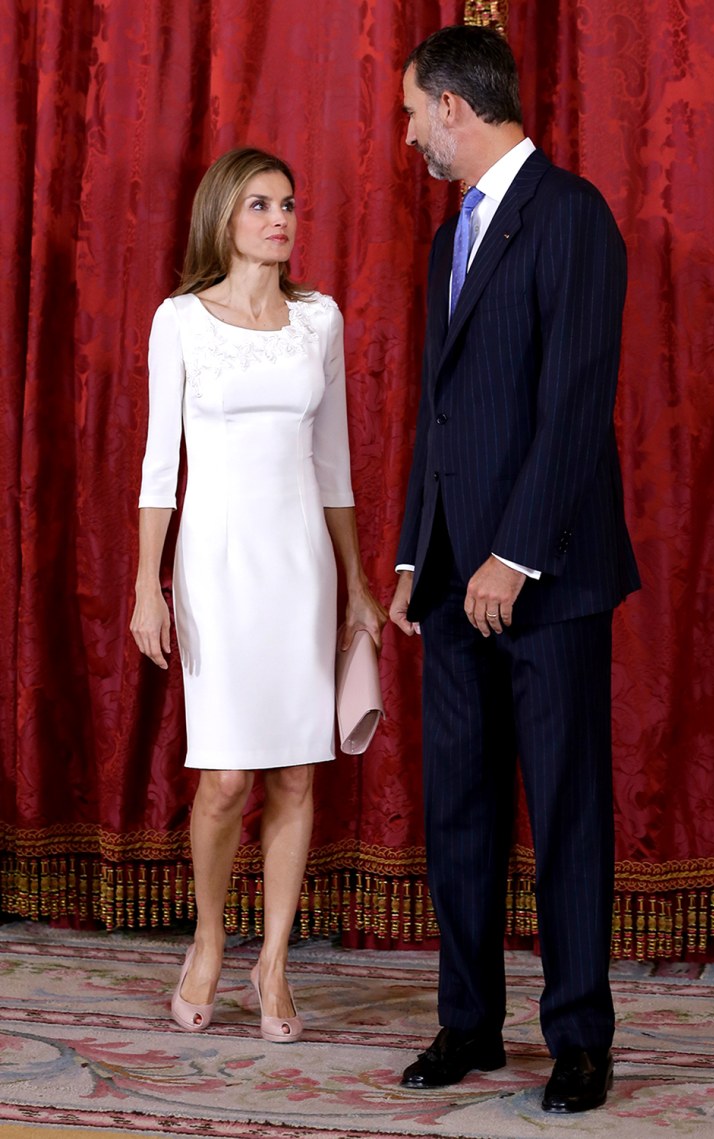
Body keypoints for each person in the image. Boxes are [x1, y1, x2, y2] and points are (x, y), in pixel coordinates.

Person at [389, 26, 640, 1113]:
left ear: (453, 105)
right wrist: (414, 553)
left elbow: (575, 401)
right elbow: (439, 410)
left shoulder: (571, 214)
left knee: (566, 807)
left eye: (411, 112)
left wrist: (512, 553)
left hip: (548, 582)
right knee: (462, 809)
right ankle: (469, 1023)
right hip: (450, 583)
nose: (407, 136)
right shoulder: (450, 236)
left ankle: (579, 1038)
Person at [130, 146, 386, 1041]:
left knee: (293, 770)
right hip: (216, 567)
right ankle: (207, 939)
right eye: (260, 205)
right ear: (223, 219)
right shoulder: (180, 320)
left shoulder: (319, 320)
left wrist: (356, 582)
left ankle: (272, 964)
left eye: (289, 203)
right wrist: (146, 586)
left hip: (300, 568)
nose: (281, 218)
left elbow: (335, 467)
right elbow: (161, 468)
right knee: (227, 776)